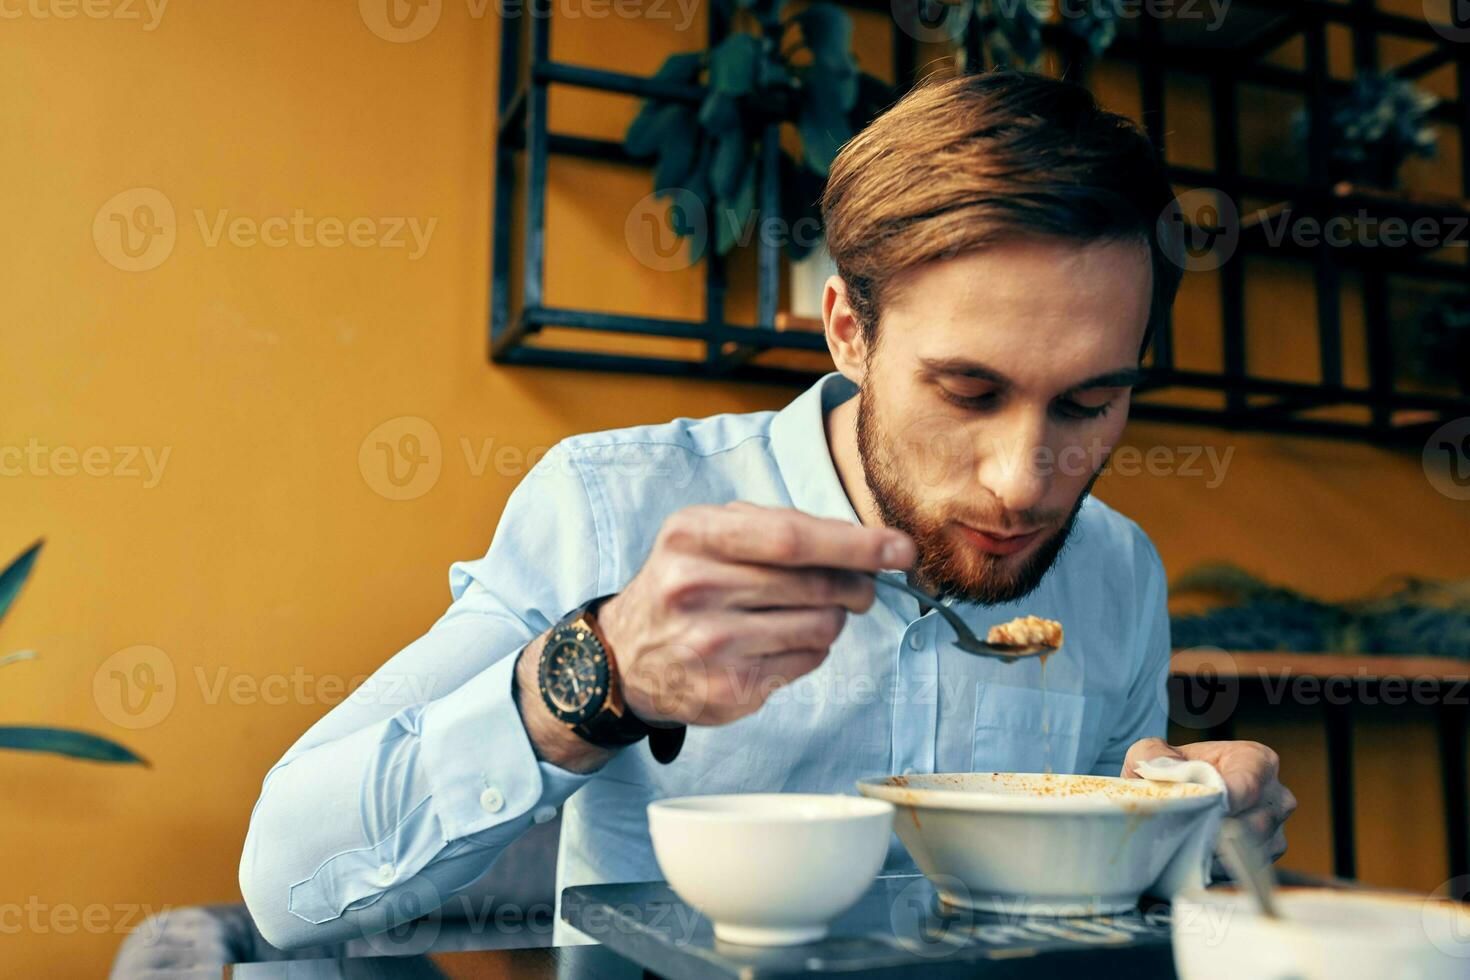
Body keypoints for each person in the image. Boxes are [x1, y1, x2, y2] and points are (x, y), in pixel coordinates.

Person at [240, 68, 1296, 950]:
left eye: (1089, 402)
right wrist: (600, 675)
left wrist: (1192, 835)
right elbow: (286, 883)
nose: (1024, 481)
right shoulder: (611, 506)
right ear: (848, 330)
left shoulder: (1119, 570)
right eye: (968, 393)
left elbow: (1110, 906)